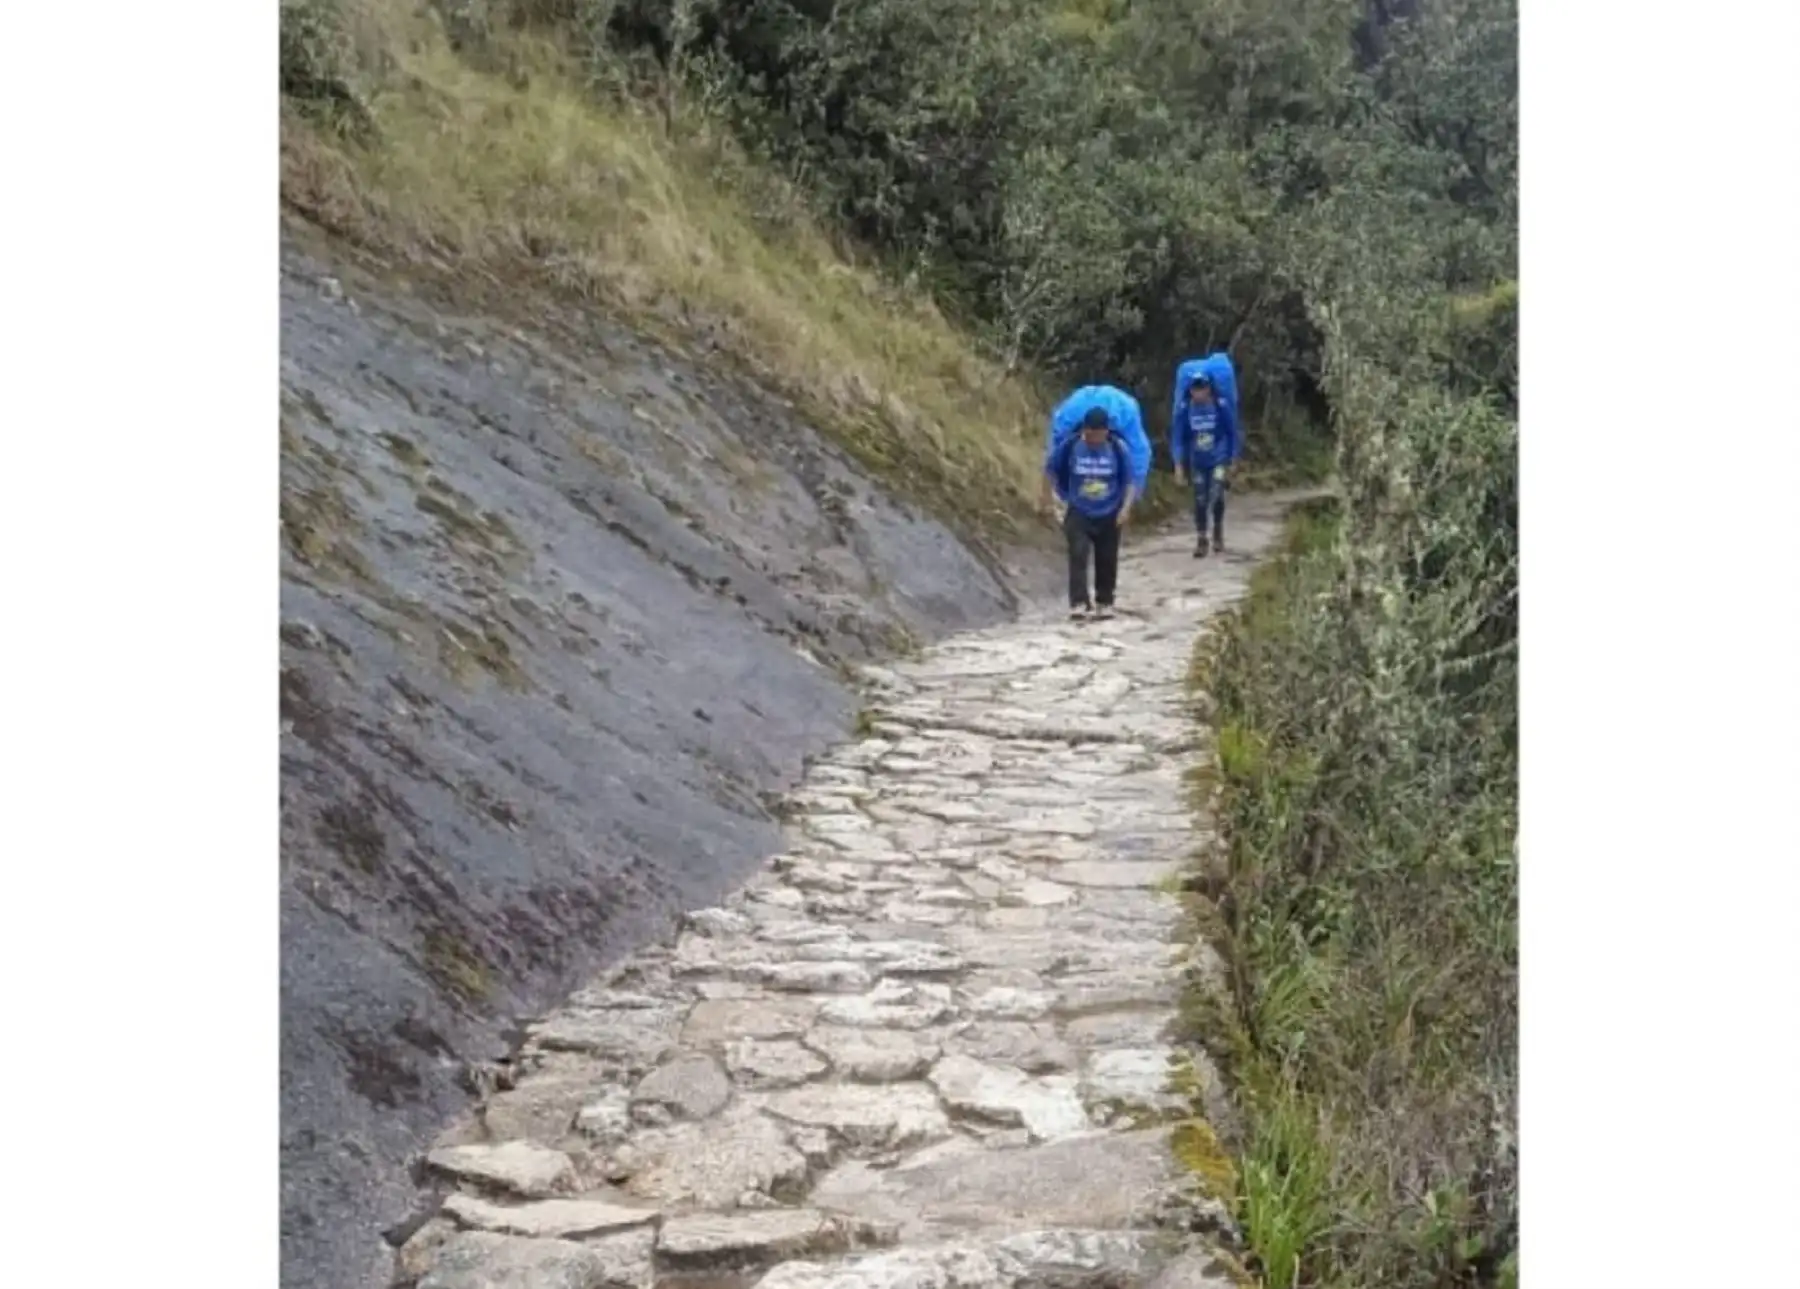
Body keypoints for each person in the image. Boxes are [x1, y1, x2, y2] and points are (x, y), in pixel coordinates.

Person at [1043, 405, 1137, 621]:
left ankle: (1104, 601)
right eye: (1089, 433)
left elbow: (1130, 481)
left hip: (1110, 511)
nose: (1092, 437)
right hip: (1078, 509)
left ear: (1106, 432)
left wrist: (1125, 509)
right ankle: (1078, 602)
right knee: (1078, 553)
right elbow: (1050, 470)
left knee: (1107, 558)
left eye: (1097, 434)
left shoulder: (1117, 448)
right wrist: (1048, 500)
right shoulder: (1071, 445)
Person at [1171, 371, 1240, 557]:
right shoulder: (1186, 409)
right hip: (1198, 462)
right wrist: (1178, 464)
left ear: (1209, 389)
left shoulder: (1220, 406)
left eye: (1202, 388)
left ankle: (1217, 530)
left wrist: (1233, 459)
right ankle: (1202, 538)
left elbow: (1232, 432)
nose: (1199, 392)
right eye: (1195, 388)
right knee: (1200, 498)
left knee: (1216, 494)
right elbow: (1178, 438)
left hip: (1218, 459)